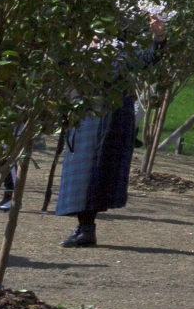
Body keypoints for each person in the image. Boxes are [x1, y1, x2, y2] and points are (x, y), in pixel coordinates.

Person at [55, 17, 162, 248]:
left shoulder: (120, 53)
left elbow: (150, 58)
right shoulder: (80, 52)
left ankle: (86, 230)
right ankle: (85, 229)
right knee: (84, 178)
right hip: (85, 118)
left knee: (93, 177)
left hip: (108, 121)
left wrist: (159, 38)